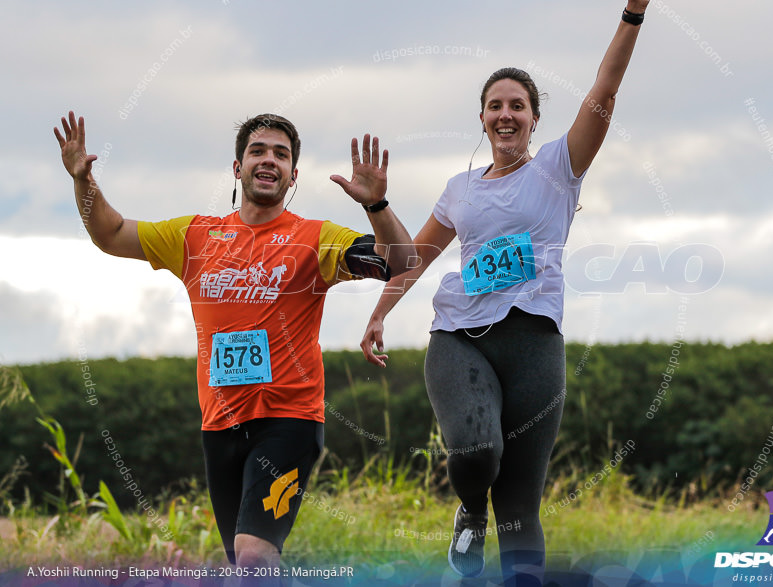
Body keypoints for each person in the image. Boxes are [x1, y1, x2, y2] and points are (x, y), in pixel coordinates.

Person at [360, 3, 650, 583]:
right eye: (496, 106)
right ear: (483, 119)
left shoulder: (558, 169)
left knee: (519, 508)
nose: (506, 114)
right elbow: (415, 258)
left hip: (534, 344)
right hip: (460, 338)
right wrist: (379, 312)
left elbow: (605, 90)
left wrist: (633, 14)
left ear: (535, 119)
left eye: (518, 105)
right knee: (475, 452)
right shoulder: (459, 189)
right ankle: (469, 512)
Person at [54, 111, 415, 576]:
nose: (269, 160)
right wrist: (84, 182)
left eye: (281, 155)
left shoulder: (315, 239)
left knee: (253, 553)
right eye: (258, 151)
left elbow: (401, 259)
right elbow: (110, 233)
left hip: (289, 419)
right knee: (246, 564)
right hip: (220, 424)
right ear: (237, 168)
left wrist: (378, 206)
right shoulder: (193, 236)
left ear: (294, 175)